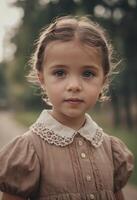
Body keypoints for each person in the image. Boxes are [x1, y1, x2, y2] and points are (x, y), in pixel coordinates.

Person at [0, 16, 134, 200]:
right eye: (60, 72)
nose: (74, 85)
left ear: (103, 81)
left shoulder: (111, 149)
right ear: (42, 79)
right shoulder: (29, 151)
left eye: (88, 73)